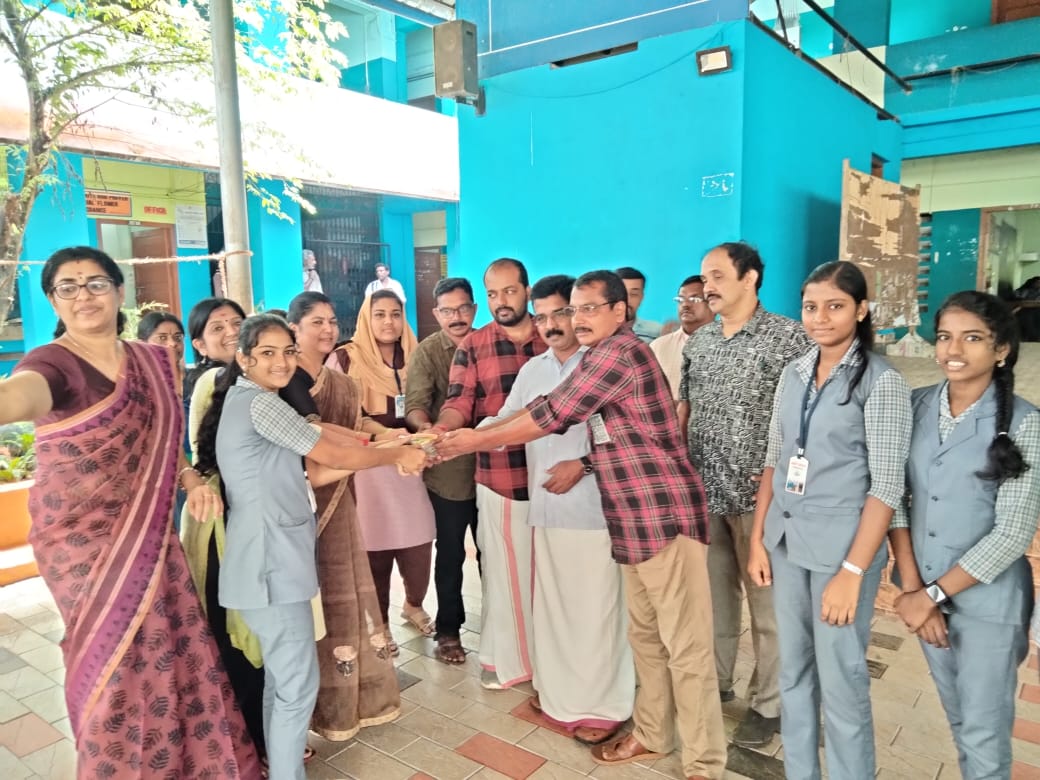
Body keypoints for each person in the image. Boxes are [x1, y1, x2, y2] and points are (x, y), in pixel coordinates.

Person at [437, 270, 726, 780]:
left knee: (686, 647)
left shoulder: (621, 354)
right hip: (628, 520)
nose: (579, 318)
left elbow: (552, 414)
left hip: (663, 516)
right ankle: (653, 734)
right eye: (576, 309)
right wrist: (463, 434)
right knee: (646, 639)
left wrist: (471, 441)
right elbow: (532, 408)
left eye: (591, 308)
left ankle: (704, 763)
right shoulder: (592, 358)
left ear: (620, 312)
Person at [0, 246, 261, 777]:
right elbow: (20, 397)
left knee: (175, 649)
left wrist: (189, 477)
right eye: (68, 286)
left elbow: (167, 443)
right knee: (115, 662)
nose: (83, 295)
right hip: (81, 543)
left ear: (119, 291)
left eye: (96, 283)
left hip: (152, 536)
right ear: (53, 299)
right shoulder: (52, 363)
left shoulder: (150, 361)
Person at [195, 314, 427, 780]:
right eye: (267, 353)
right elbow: (330, 453)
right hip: (270, 567)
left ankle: (276, 767)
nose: (281, 362)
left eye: (287, 352)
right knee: (297, 687)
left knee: (282, 682)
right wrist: (396, 453)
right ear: (243, 358)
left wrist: (385, 446)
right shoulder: (260, 404)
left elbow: (321, 460)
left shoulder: (254, 401)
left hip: (270, 562)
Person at [747, 261, 912, 779]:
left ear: (860, 310)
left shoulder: (881, 382)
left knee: (841, 681)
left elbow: (887, 486)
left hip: (841, 552)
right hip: (786, 541)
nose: (820, 317)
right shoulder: (794, 372)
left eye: (835, 306)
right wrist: (757, 540)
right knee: (794, 673)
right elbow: (774, 459)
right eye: (811, 307)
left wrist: (853, 573)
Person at [889, 291, 1040, 780]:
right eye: (944, 337)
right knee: (960, 720)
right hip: (924, 596)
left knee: (984, 735)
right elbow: (894, 497)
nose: (953, 350)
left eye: (972, 338)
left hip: (988, 606)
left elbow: (1012, 533)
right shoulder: (915, 406)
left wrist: (932, 595)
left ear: (1001, 350)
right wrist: (914, 590)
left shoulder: (1025, 423)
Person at [484, 274, 635, 745]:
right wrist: (454, 439)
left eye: (562, 313)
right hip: (547, 509)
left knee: (596, 613)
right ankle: (560, 697)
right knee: (554, 609)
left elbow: (629, 440)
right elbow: (508, 419)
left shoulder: (606, 364)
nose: (551, 325)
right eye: (542, 316)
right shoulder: (534, 370)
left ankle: (604, 707)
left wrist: (584, 466)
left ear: (582, 313)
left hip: (597, 511)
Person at [676, 241, 811, 747]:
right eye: (703, 276)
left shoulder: (790, 339)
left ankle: (768, 704)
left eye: (717, 275)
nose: (706, 286)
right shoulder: (701, 342)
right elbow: (686, 411)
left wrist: (791, 484)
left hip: (764, 499)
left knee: (770, 610)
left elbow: (807, 421)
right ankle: (716, 683)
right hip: (705, 490)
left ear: (750, 277)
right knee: (714, 602)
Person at [281, 291, 403, 739]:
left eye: (332, 321)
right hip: (300, 507)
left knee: (343, 594)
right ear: (294, 329)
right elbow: (320, 445)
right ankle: (311, 710)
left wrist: (388, 436)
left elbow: (356, 423)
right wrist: (387, 452)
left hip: (340, 499)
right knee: (310, 606)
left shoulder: (341, 382)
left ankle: (347, 700)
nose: (328, 329)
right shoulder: (286, 380)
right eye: (316, 321)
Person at [433, 258, 547, 690]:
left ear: (527, 291)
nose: (502, 301)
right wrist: (442, 430)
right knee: (502, 576)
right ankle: (508, 661)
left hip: (556, 479)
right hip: (501, 477)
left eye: (510, 291)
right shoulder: (475, 345)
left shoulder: (553, 336)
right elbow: (460, 401)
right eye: (493, 294)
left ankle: (550, 661)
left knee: (550, 578)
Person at [327, 291, 436, 651]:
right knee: (373, 548)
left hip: (413, 462)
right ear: (366, 318)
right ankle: (381, 623)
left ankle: (414, 604)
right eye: (379, 314)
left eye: (395, 314)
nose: (388, 321)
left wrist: (423, 433)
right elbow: (340, 414)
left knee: (419, 543)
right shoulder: (344, 358)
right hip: (369, 464)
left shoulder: (417, 354)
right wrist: (385, 436)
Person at [405, 277, 481, 665]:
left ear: (475, 309)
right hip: (448, 472)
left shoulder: (490, 344)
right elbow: (415, 404)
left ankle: (505, 631)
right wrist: (426, 430)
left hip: (496, 469)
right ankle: (449, 631)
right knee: (450, 554)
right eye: (448, 310)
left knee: (496, 555)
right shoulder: (428, 352)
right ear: (436, 314)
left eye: (463, 308)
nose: (457, 317)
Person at [650, 275, 714, 399]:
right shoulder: (658, 347)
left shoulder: (727, 347)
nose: (685, 305)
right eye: (680, 299)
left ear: (713, 304)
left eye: (694, 299)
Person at [615, 266, 662, 343]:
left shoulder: (656, 332)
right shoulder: (597, 331)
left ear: (642, 297)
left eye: (634, 294)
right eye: (622, 293)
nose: (627, 300)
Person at [137, 309, 186, 376]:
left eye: (177, 337)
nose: (173, 343)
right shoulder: (135, 381)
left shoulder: (196, 379)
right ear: (142, 344)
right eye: (162, 338)